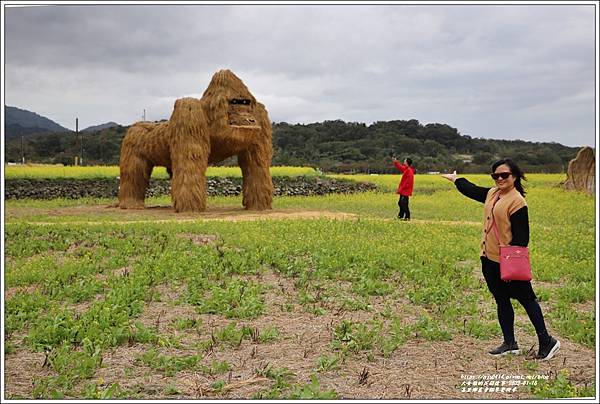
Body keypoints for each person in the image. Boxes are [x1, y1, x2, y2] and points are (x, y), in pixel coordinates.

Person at [441, 159, 560, 360]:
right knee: (501, 300)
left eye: (504, 175)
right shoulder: (492, 194)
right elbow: (473, 190)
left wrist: (508, 265)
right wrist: (456, 179)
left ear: (514, 176)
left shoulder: (517, 201)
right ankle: (510, 343)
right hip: (488, 258)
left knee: (527, 299)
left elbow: (522, 238)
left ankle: (547, 341)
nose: (500, 179)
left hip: (509, 261)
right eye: (496, 175)